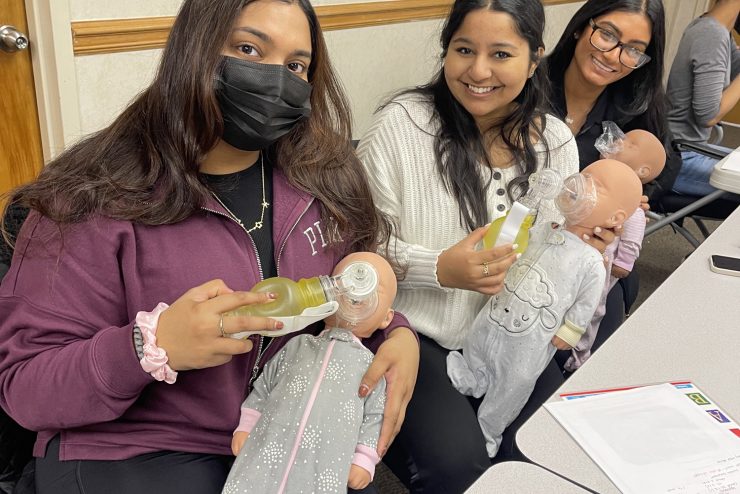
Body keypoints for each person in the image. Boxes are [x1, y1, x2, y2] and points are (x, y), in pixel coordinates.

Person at [0, 1, 419, 493]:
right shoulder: (90, 195)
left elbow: (357, 277)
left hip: (279, 426)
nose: (275, 81)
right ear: (193, 50)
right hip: (134, 445)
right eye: (247, 48)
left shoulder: (322, 175)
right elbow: (26, 388)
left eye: (295, 66)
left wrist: (398, 334)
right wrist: (151, 346)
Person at [356, 0, 614, 490]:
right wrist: (439, 269)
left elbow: (557, 249)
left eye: (501, 54)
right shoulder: (402, 125)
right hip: (417, 333)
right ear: (445, 50)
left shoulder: (554, 140)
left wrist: (591, 238)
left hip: (515, 336)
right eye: (464, 50)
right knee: (461, 469)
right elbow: (359, 247)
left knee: (555, 449)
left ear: (534, 59)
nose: (478, 71)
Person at [447, 159, 643, 457]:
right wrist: (525, 208)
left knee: (517, 379)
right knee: (480, 337)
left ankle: (490, 428)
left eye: (596, 185)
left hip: (533, 336)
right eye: (583, 175)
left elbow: (587, 302)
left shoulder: (591, 261)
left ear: (616, 217)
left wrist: (571, 331)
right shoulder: (543, 227)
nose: (580, 184)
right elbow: (509, 239)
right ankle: (473, 376)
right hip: (500, 307)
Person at [545, 0, 679, 366]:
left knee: (618, 293)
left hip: (593, 257)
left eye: (634, 50)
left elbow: (669, 160)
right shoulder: (528, 89)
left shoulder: (633, 106)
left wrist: (637, 195)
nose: (615, 56)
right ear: (580, 27)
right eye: (607, 34)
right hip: (533, 250)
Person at [224, 251, 397, 493]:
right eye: (345, 281)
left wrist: (364, 459)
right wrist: (248, 424)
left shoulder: (370, 365)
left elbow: (375, 414)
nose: (356, 293)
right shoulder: (299, 344)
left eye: (372, 288)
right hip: (268, 448)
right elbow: (265, 385)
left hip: (324, 466)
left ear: (386, 318)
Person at [565, 127, 666, 372]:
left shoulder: (632, 207)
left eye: (630, 143)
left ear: (642, 171)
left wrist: (624, 264)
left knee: (593, 308)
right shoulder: (596, 178)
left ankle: (579, 355)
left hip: (603, 266)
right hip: (573, 255)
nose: (619, 141)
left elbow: (632, 240)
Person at [667, 0, 740, 199]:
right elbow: (708, 115)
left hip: (690, 148)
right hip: (679, 156)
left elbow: (736, 68)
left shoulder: (716, 29)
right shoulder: (711, 34)